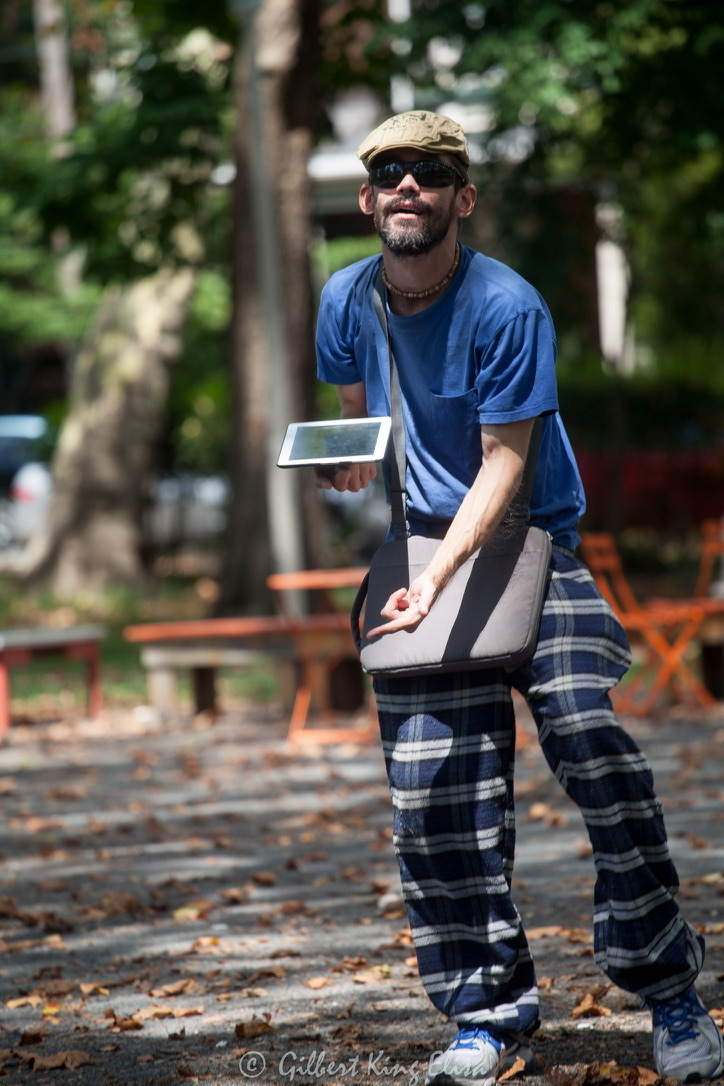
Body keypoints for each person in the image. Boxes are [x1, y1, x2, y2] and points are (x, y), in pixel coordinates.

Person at [313, 110, 724, 1086]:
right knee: (433, 799)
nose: (406, 185)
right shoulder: (344, 300)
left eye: (429, 171)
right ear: (368, 199)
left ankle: (670, 995)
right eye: (388, 172)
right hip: (423, 557)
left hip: (534, 551)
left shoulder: (507, 303)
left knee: (589, 736)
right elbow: (359, 434)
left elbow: (504, 468)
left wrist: (433, 576)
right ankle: (487, 1016)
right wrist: (341, 477)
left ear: (461, 198)